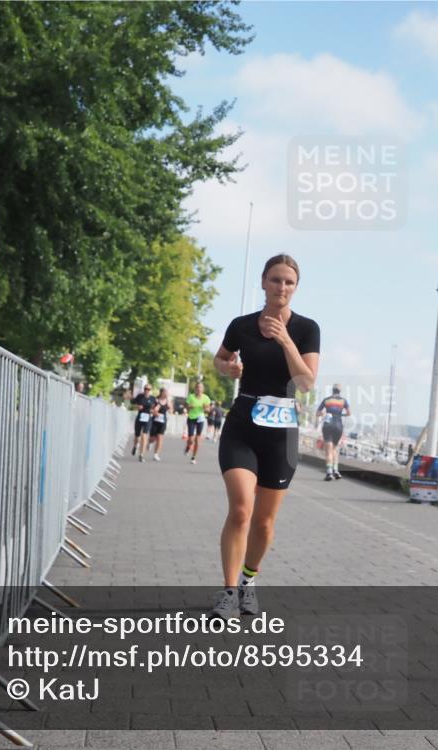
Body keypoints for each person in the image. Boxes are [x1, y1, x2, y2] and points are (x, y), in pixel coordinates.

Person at [210, 254, 320, 620]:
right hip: (243, 423)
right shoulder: (241, 325)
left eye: (289, 282)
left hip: (281, 434)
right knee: (241, 509)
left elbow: (305, 382)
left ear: (296, 287)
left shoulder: (306, 329)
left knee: (264, 522)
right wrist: (229, 368)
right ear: (263, 282)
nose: (282, 287)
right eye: (275, 280)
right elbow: (219, 360)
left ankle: (248, 582)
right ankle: (227, 592)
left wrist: (286, 341)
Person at [315, 384, 350, 480]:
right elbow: (349, 413)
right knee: (335, 449)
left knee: (328, 450)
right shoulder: (344, 401)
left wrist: (325, 413)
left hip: (328, 425)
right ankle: (336, 470)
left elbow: (317, 413)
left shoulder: (326, 400)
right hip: (338, 426)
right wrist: (339, 415)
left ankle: (329, 472)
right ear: (340, 391)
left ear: (332, 390)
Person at [184, 380, 212, 464]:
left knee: (197, 439)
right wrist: (190, 406)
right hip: (191, 418)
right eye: (198, 387)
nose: (199, 389)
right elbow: (186, 407)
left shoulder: (206, 398)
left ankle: (193, 457)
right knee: (190, 439)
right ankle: (188, 447)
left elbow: (208, 409)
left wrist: (205, 408)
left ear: (203, 389)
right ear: (195, 389)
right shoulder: (191, 397)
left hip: (200, 419)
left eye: (201, 388)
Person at [131, 383, 156, 462]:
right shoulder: (140, 396)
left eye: (148, 389)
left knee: (144, 436)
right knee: (137, 435)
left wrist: (153, 411)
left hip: (148, 418)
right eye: (145, 389)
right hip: (140, 417)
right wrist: (137, 407)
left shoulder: (153, 399)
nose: (147, 390)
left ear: (150, 390)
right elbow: (132, 404)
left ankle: (141, 455)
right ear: (144, 389)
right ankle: (135, 446)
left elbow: (156, 408)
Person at [148, 387, 170, 461]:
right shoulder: (155, 400)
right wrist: (155, 412)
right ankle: (150, 442)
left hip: (163, 421)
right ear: (161, 393)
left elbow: (171, 410)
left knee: (160, 438)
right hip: (155, 421)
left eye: (167, 392)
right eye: (165, 392)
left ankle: (156, 454)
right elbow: (150, 410)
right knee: (152, 438)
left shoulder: (168, 401)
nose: (166, 394)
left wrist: (169, 405)